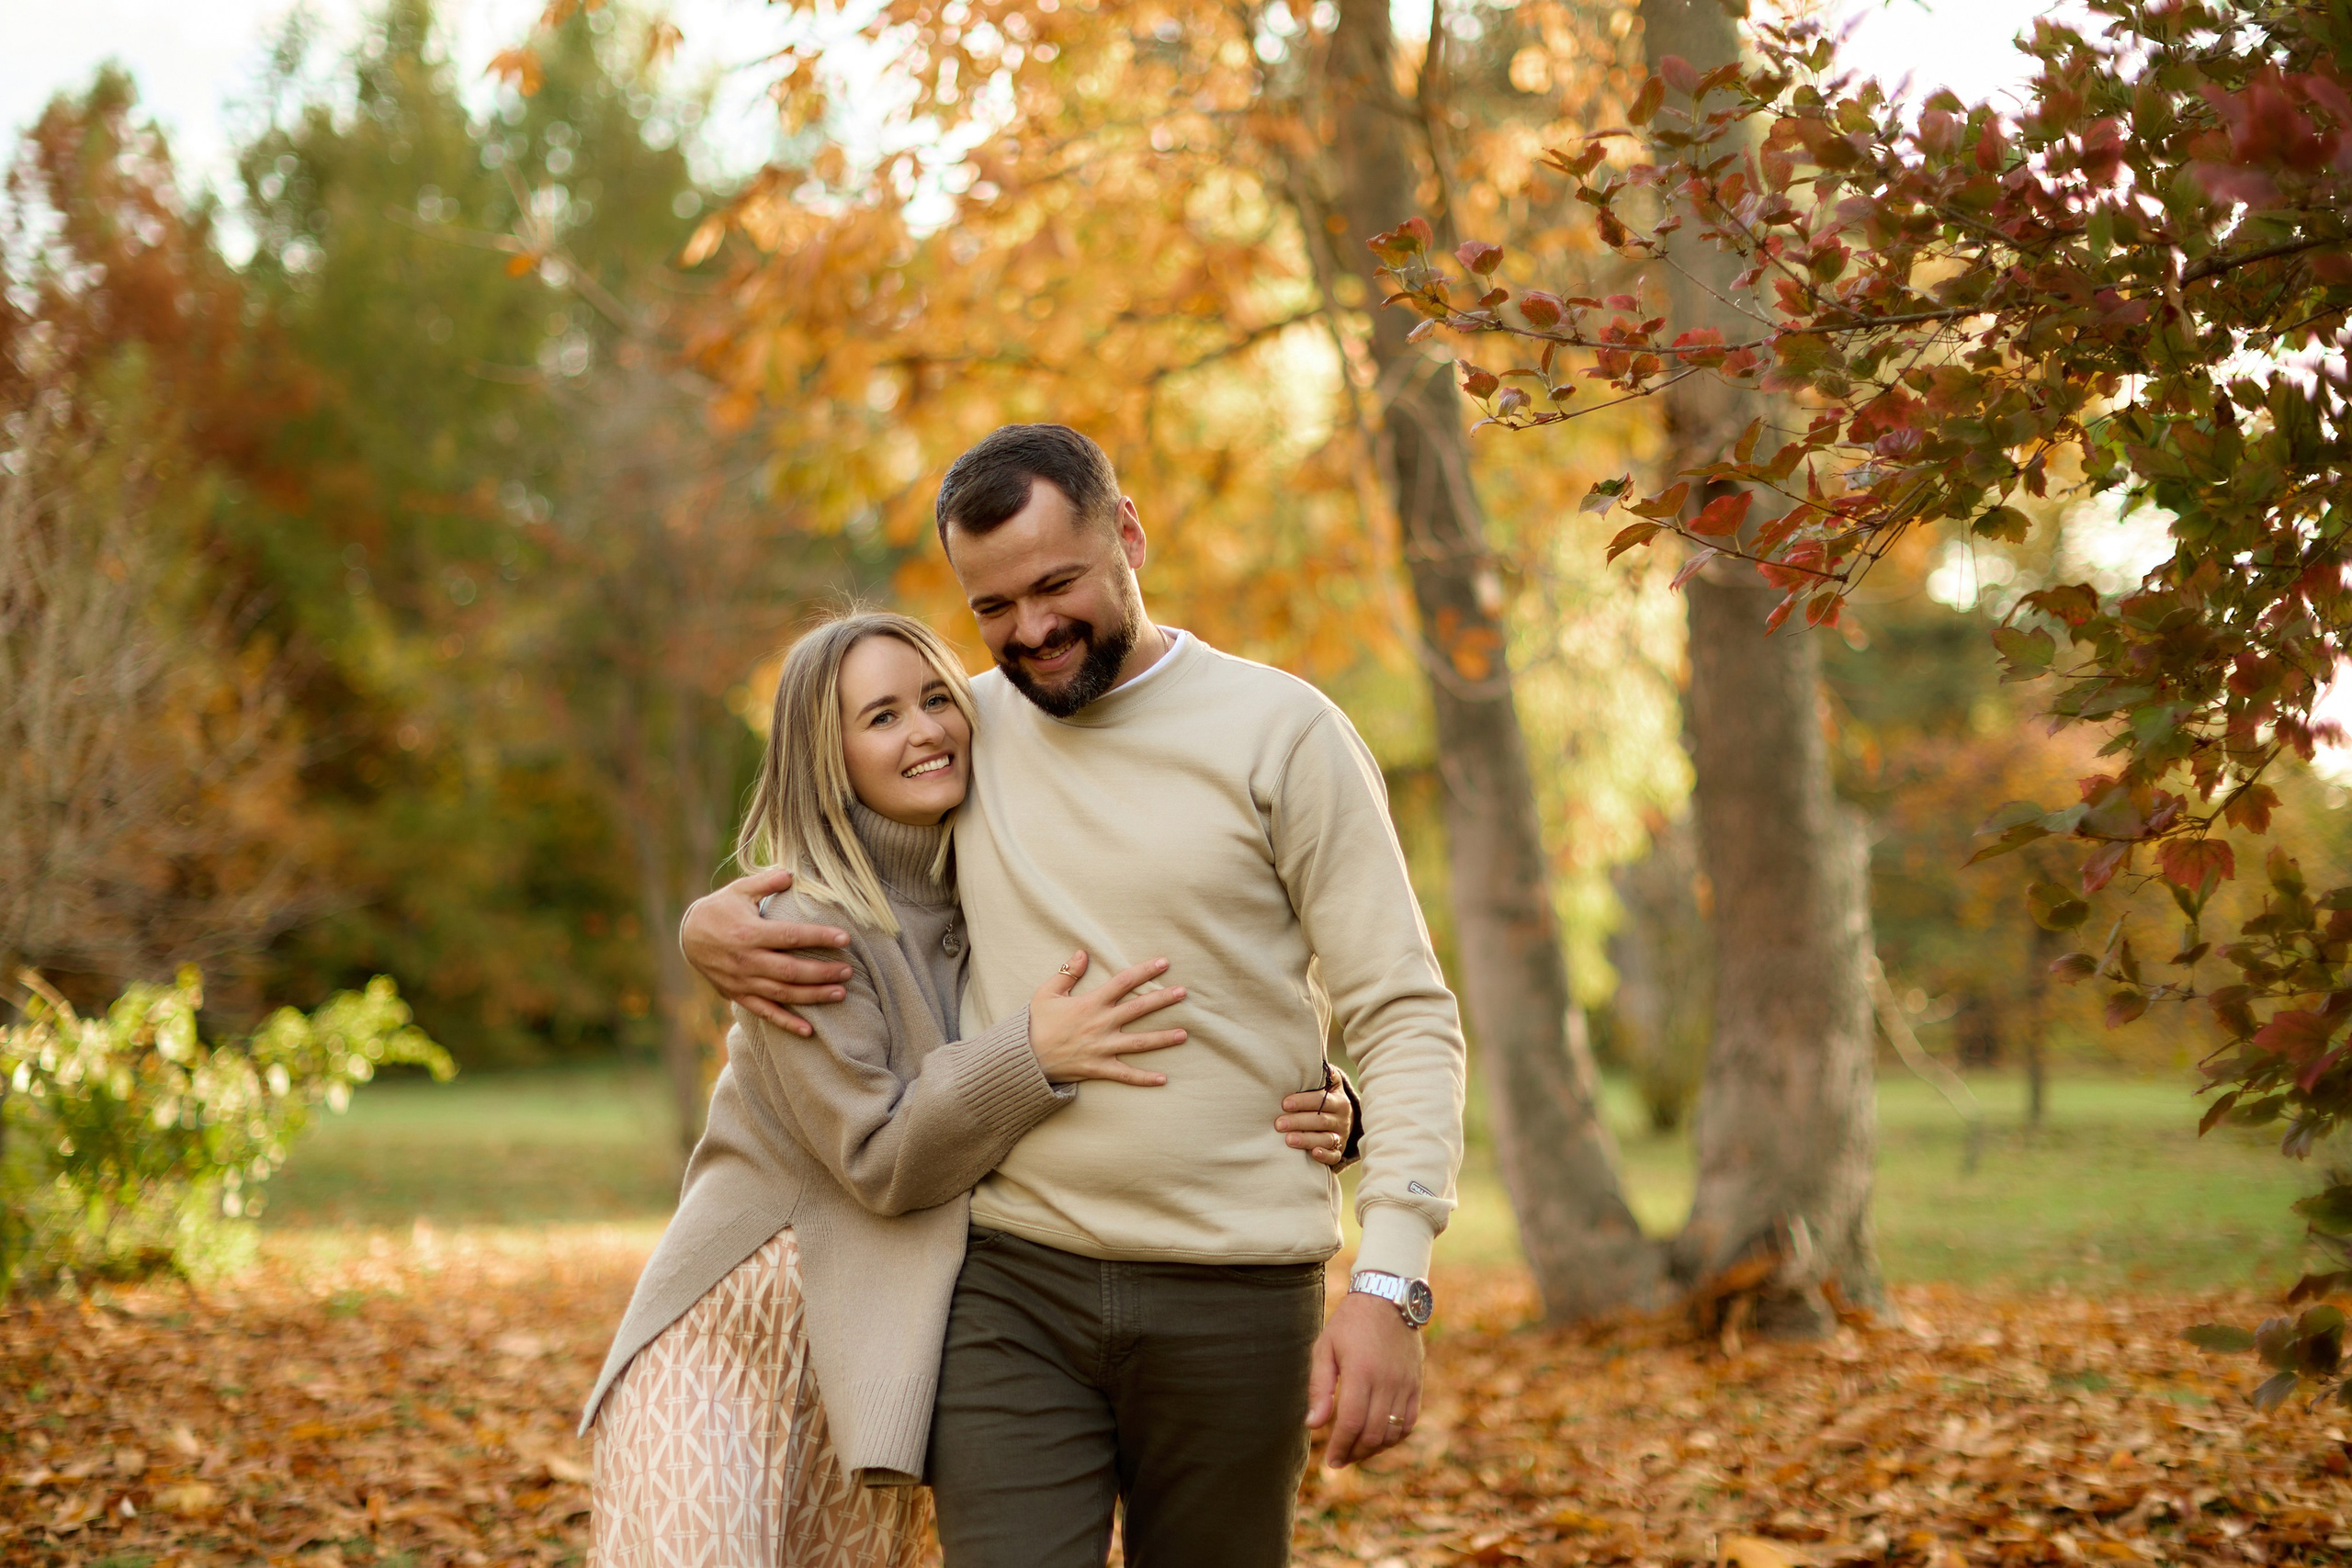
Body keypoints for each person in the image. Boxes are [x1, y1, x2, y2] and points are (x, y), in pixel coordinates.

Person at [683, 424, 1468, 1567]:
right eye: (993, 607)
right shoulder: (960, 734)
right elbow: (832, 864)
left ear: (1128, 534)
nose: (1033, 630)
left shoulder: (1283, 733)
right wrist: (709, 928)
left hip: (1238, 1292)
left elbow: (1400, 1009)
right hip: (1009, 1284)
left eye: (1056, 584)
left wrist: (1392, 1282)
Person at [582, 610, 1356, 1568]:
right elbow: (877, 1153)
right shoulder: (803, 926)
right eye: (880, 718)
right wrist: (1028, 1054)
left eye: (936, 699)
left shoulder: (984, 863)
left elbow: (1199, 936)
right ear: (828, 759)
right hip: (740, 1329)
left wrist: (1309, 1088)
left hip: (873, 1354)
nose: (924, 731)